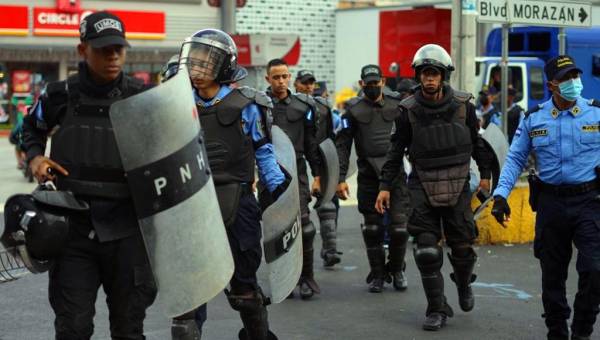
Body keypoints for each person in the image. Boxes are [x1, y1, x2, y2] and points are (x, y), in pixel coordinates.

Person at [21, 11, 157, 339]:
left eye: (118, 49)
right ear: (82, 50)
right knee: (73, 328)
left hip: (128, 231)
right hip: (73, 231)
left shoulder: (143, 98)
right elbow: (31, 129)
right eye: (103, 49)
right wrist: (36, 157)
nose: (113, 56)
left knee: (128, 330)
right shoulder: (58, 94)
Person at [173, 29, 286, 340]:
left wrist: (279, 191)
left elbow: (263, 151)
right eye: (192, 62)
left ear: (223, 66)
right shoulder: (177, 102)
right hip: (190, 204)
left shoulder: (248, 104)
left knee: (244, 290)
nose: (195, 69)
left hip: (238, 204)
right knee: (188, 296)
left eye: (203, 63)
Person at [375, 44, 492, 331]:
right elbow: (395, 151)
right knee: (426, 251)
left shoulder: (464, 105)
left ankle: (463, 283)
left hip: (458, 180)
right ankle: (436, 308)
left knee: (462, 248)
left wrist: (486, 175)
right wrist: (384, 186)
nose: (429, 79)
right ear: (418, 76)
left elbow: (478, 143)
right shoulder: (407, 110)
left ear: (443, 76)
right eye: (425, 73)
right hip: (422, 182)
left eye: (434, 74)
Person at [491, 55, 600, 340]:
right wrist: (501, 194)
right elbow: (515, 158)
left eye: (575, 76)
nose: (573, 83)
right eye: (565, 79)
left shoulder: (596, 113)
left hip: (590, 201)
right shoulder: (534, 118)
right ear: (552, 85)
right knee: (552, 276)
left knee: (595, 269)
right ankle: (557, 332)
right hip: (551, 204)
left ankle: (581, 331)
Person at [336, 64, 410, 293]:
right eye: (367, 83)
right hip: (368, 177)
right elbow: (343, 145)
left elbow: (413, 136)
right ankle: (378, 274)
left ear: (383, 81)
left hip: (395, 175)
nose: (371, 86)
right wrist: (340, 178)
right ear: (361, 84)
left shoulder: (398, 105)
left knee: (399, 229)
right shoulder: (353, 110)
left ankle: (396, 269)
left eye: (375, 82)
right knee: (372, 229)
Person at [265, 59, 322, 299]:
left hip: (297, 172)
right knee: (276, 229)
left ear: (290, 77)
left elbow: (311, 145)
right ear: (268, 79)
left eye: (284, 76)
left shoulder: (302, 106)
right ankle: (283, 279)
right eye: (276, 77)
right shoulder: (260, 106)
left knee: (305, 228)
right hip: (270, 173)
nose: (280, 81)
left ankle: (306, 277)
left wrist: (318, 175)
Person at [294, 71, 342, 267]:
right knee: (298, 213)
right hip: (297, 163)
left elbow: (332, 138)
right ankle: (297, 261)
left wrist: (338, 174)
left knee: (328, 207)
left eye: (311, 83)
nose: (308, 86)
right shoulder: (290, 106)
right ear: (296, 83)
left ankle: (330, 250)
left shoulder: (324, 107)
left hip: (322, 162)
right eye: (304, 83)